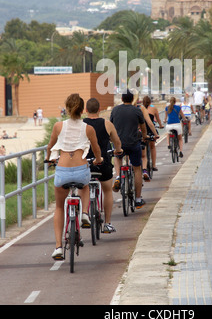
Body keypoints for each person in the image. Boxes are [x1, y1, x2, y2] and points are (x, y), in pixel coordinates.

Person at [47, 93, 103, 261]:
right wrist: (99, 159)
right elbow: (97, 149)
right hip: (80, 169)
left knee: (58, 207)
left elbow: (50, 147)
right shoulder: (88, 128)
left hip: (62, 170)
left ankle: (58, 247)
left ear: (67, 108)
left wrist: (49, 159)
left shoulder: (58, 126)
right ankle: (84, 213)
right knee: (85, 186)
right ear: (82, 110)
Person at [84, 98, 123, 233]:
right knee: (107, 190)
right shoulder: (107, 124)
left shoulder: (82, 124)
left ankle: (84, 213)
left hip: (86, 164)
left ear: (86, 110)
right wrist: (118, 150)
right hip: (103, 163)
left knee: (83, 188)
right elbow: (117, 141)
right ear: (99, 110)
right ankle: (107, 223)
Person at [110, 89, 147, 209]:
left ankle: (118, 177)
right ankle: (137, 199)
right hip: (133, 144)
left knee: (117, 156)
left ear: (121, 99)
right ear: (132, 99)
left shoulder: (115, 110)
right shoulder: (137, 110)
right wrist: (145, 137)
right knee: (137, 169)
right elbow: (143, 126)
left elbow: (110, 126)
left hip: (119, 144)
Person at [142, 95, 163, 176]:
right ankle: (153, 165)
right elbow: (158, 119)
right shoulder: (153, 108)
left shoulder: (140, 108)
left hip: (143, 130)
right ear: (150, 102)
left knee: (144, 148)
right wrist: (160, 125)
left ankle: (143, 166)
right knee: (152, 147)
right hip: (151, 130)